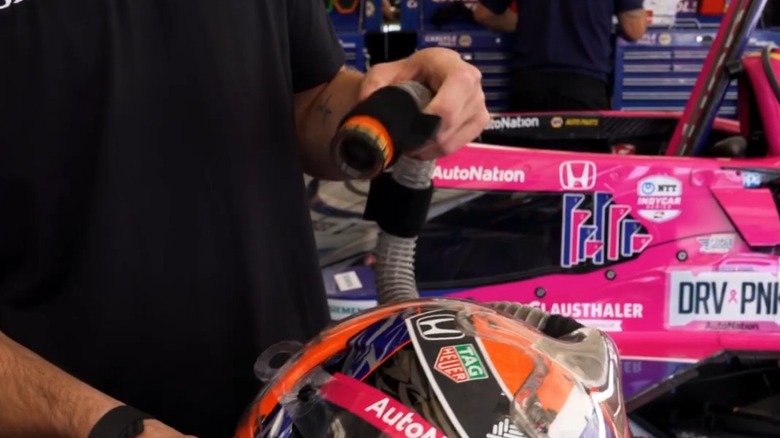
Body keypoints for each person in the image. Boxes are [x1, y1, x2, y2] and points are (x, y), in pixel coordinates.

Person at [0, 1, 489, 437]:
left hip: (284, 399)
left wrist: (404, 93)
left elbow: (306, 101)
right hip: (67, 412)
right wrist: (109, 426)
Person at [473, 0, 648, 111]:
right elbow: (634, 29)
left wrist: (529, 21)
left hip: (529, 84)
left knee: (530, 164)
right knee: (582, 165)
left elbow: (483, 14)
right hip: (584, 86)